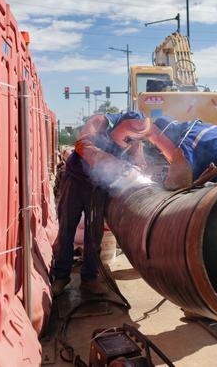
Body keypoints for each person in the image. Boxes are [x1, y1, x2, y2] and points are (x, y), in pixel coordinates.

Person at [51, 111, 150, 297]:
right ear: (121, 125)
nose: (129, 141)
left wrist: (134, 173)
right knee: (66, 228)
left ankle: (89, 279)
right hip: (76, 180)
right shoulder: (100, 121)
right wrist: (110, 162)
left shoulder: (134, 142)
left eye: (134, 138)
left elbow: (140, 165)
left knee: (93, 233)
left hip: (98, 188)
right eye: (128, 137)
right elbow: (82, 144)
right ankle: (61, 276)